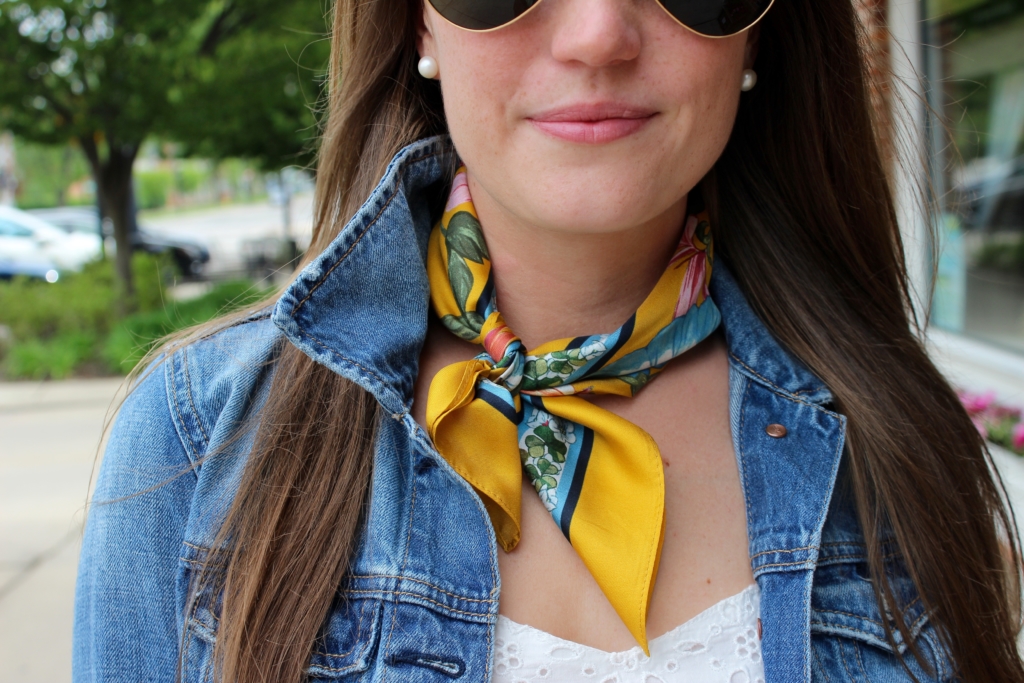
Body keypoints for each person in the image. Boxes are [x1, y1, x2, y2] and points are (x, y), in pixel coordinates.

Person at [73, 0, 1024, 680]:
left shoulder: (900, 442)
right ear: (416, 22)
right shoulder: (196, 444)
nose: (599, 31)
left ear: (762, 29)